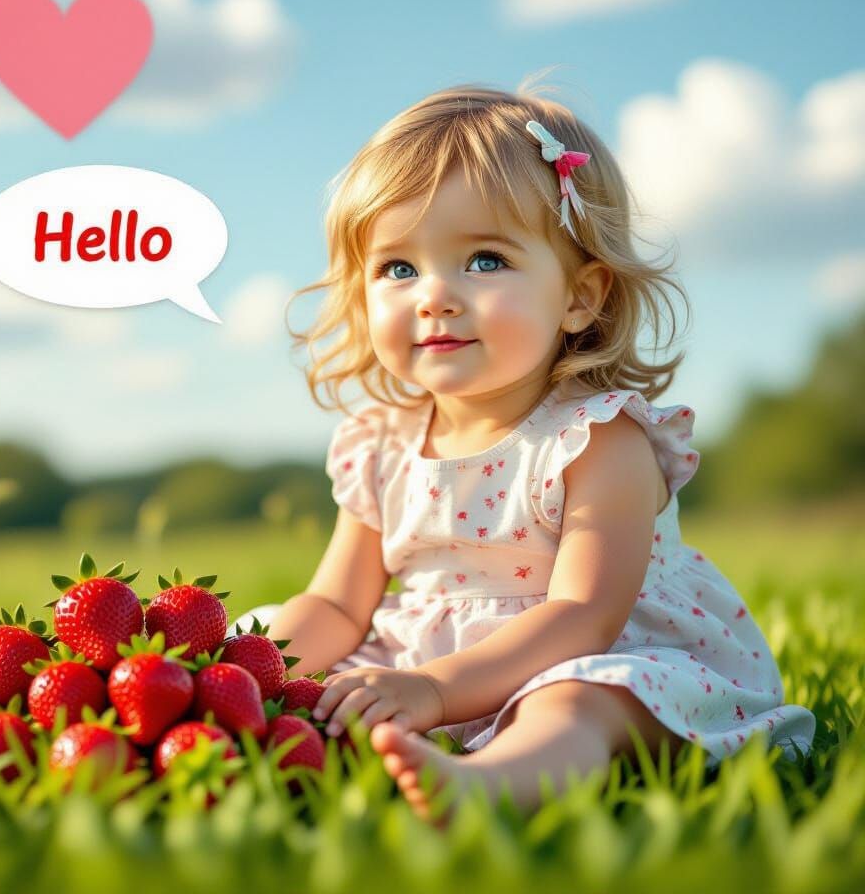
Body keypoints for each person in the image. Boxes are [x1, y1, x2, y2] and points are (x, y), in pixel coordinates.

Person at [230, 80, 816, 826]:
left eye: (483, 261)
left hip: (585, 656)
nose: (434, 295)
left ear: (580, 296)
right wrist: (235, 670)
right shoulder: (380, 445)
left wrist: (438, 691)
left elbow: (584, 614)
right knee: (289, 652)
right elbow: (338, 604)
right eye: (398, 269)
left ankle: (492, 783)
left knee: (578, 701)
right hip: (429, 665)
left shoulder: (597, 437)